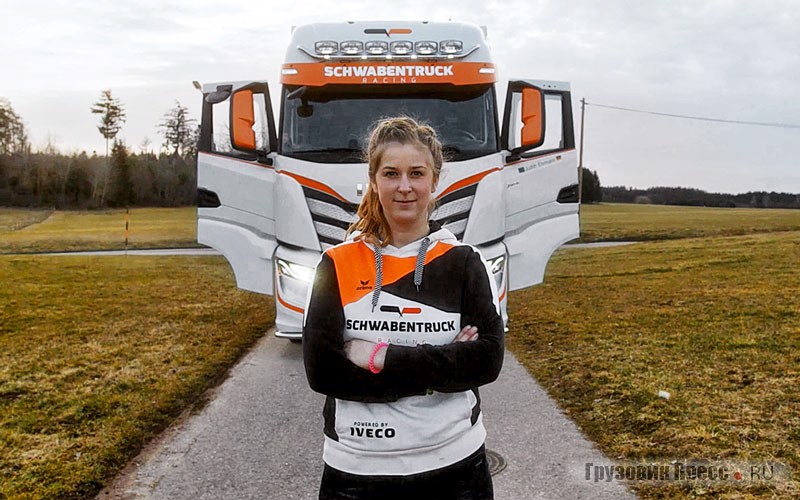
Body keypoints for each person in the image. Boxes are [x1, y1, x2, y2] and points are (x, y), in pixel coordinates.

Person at [302, 116, 504, 500]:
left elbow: (486, 361)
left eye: (417, 173)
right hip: (357, 469)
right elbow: (323, 372)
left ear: (435, 180)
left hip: (455, 466)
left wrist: (379, 356)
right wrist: (441, 368)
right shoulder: (336, 263)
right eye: (391, 174)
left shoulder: (464, 261)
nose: (405, 187)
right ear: (374, 180)